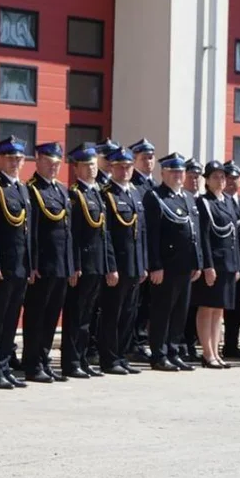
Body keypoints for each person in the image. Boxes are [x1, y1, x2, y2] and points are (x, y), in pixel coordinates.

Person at [143, 152, 202, 371]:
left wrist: (198, 262)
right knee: (162, 311)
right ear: (163, 172)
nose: (178, 175)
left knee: (180, 311)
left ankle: (174, 350)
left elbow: (194, 233)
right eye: (173, 172)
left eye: (180, 172)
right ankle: (159, 354)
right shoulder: (155, 196)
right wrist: (155, 265)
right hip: (166, 267)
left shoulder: (187, 197)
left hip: (185, 266)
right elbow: (152, 234)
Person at [0, 135, 33, 389]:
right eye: (10, 158)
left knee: (11, 319)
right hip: (2, 267)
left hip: (21, 266)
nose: (15, 162)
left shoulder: (22, 188)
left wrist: (31, 264)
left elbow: (27, 231)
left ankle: (5, 364)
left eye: (19, 158)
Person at [62, 144, 117, 377]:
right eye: (86, 166)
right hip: (82, 265)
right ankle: (71, 361)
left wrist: (110, 265)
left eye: (93, 165)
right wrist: (74, 265)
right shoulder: (75, 195)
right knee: (75, 315)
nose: (91, 170)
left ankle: (82, 358)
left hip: (97, 264)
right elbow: (71, 235)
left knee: (87, 316)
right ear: (76, 169)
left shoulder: (98, 193)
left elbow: (105, 235)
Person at [23, 142, 74, 383]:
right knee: (36, 317)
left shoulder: (62, 191)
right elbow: (31, 232)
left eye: (57, 164)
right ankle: (32, 364)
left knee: (52, 316)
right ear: (38, 160)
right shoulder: (31, 190)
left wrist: (71, 264)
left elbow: (68, 232)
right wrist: (32, 264)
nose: (54, 168)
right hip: (42, 266)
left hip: (61, 265)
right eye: (49, 163)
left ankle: (44, 361)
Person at [99, 147, 148, 375]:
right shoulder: (107, 193)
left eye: (129, 167)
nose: (125, 171)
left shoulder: (135, 193)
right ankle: (109, 359)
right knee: (112, 313)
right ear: (112, 168)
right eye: (120, 167)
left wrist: (143, 263)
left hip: (134, 265)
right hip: (118, 265)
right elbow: (105, 234)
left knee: (129, 313)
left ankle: (122, 354)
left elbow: (142, 232)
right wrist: (110, 266)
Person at [194, 161, 240, 369]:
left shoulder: (229, 202)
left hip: (228, 262)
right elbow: (203, 236)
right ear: (206, 180)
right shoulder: (203, 202)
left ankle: (216, 351)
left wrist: (237, 264)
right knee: (207, 308)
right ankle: (207, 352)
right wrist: (208, 265)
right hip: (213, 262)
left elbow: (235, 236)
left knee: (219, 309)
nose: (220, 181)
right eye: (215, 177)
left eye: (223, 177)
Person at [127, 138, 156, 363]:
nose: (149, 161)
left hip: (148, 252)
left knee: (146, 302)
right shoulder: (133, 183)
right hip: (136, 252)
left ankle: (140, 339)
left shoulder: (154, 186)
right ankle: (132, 342)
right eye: (144, 157)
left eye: (151, 157)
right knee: (134, 303)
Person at [221, 160, 240, 359]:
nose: (231, 182)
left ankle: (233, 344)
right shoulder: (219, 202)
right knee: (222, 306)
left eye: (235, 178)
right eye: (228, 178)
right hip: (225, 262)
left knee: (239, 308)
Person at [181, 157, 204, 361]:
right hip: (181, 263)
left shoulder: (202, 200)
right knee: (183, 308)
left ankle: (191, 343)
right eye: (191, 176)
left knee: (194, 306)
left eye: (197, 177)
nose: (195, 180)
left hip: (197, 265)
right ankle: (181, 344)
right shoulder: (183, 198)